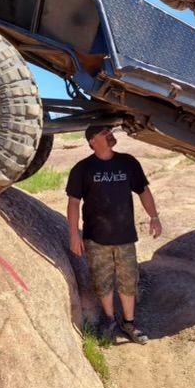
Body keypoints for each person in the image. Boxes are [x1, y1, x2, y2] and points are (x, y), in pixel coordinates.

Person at [65, 125, 162, 344]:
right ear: (92, 141)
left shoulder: (128, 163)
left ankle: (129, 323)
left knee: (128, 281)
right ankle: (109, 319)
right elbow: (73, 203)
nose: (110, 134)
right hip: (95, 238)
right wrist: (74, 234)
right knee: (102, 281)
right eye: (104, 132)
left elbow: (143, 191)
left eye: (110, 130)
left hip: (125, 236)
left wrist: (154, 217)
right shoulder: (82, 168)